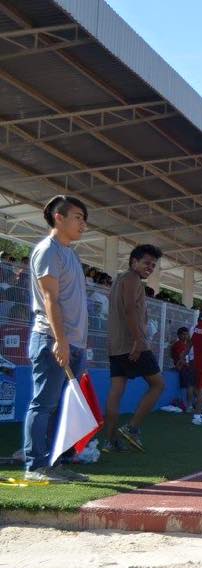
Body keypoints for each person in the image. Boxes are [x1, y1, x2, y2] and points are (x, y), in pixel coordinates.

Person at [23, 195, 90, 483]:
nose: (83, 224)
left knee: (64, 406)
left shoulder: (71, 254)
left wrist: (77, 343)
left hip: (74, 343)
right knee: (44, 404)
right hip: (52, 339)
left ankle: (57, 462)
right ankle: (35, 464)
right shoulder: (47, 250)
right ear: (58, 217)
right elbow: (50, 299)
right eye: (78, 217)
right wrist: (60, 340)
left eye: (84, 219)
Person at [103, 244, 165, 453]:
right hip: (132, 343)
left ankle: (110, 442)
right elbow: (129, 309)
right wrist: (139, 340)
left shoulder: (119, 280)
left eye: (153, 265)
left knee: (116, 392)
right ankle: (132, 428)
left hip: (115, 346)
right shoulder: (132, 279)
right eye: (147, 263)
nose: (150, 267)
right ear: (134, 261)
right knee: (158, 385)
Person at [170, 326, 193, 412]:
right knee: (187, 386)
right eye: (183, 334)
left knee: (191, 386)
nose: (185, 336)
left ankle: (190, 405)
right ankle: (187, 405)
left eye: (187, 334)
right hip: (183, 368)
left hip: (187, 368)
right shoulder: (178, 345)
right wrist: (188, 365)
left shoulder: (187, 344)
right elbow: (181, 358)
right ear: (179, 335)